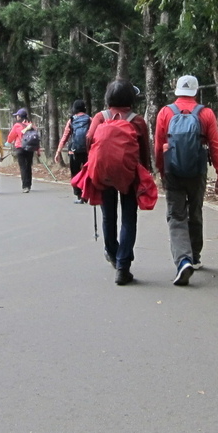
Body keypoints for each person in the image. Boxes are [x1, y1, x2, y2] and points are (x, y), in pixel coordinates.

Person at [153, 75, 218, 285]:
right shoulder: (206, 113)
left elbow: (159, 145)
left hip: (173, 171)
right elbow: (216, 145)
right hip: (197, 171)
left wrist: (161, 170)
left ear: (177, 91)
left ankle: (182, 259)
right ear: (196, 91)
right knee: (195, 212)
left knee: (176, 216)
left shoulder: (165, 112)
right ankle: (194, 256)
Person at [86, 79, 152, 285]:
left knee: (109, 217)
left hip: (103, 172)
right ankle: (123, 266)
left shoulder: (100, 117)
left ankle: (113, 254)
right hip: (129, 175)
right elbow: (144, 152)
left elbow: (88, 139)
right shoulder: (137, 121)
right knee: (129, 218)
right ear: (131, 98)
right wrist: (147, 173)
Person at [54, 100, 91, 203]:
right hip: (87, 151)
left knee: (75, 173)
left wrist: (58, 151)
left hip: (73, 151)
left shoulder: (71, 120)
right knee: (88, 173)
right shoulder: (89, 119)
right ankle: (87, 194)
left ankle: (79, 195)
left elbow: (65, 137)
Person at [7, 109, 40, 192]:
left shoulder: (17, 125)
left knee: (23, 167)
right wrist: (38, 150)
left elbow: (11, 136)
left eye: (17, 115)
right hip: (30, 148)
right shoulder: (31, 125)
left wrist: (8, 142)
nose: (16, 117)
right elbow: (36, 138)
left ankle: (25, 186)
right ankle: (29, 184)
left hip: (20, 148)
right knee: (28, 166)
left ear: (20, 116)